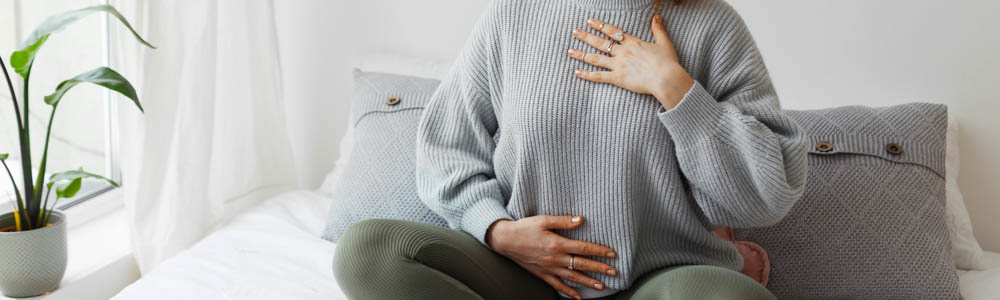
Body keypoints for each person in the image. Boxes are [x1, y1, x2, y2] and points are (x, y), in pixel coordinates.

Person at [335, 0, 808, 299]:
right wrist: (497, 231)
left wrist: (675, 89)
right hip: (520, 275)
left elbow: (768, 193)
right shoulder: (514, 13)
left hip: (657, 280)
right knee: (370, 251)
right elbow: (444, 145)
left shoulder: (713, 27)